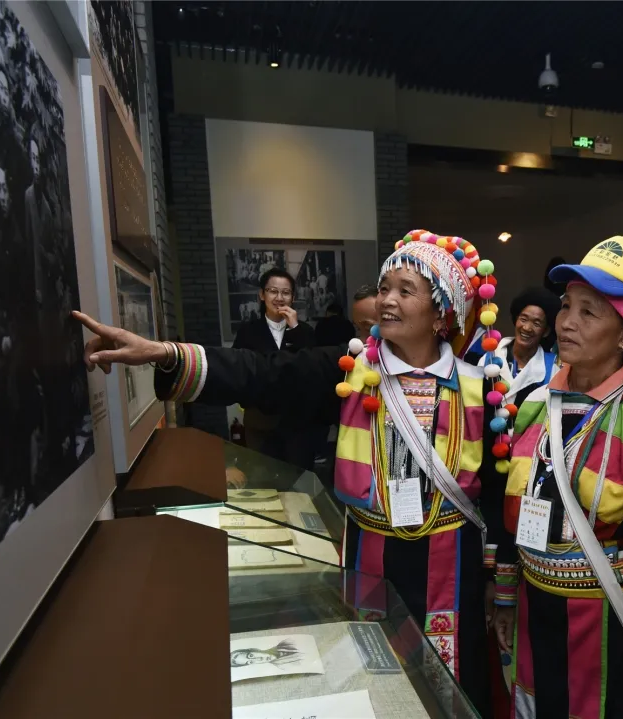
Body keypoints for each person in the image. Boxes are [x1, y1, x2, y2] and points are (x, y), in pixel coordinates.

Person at [74, 230, 506, 716]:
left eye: (405, 291)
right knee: (380, 672)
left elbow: (494, 493)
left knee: (452, 683)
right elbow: (262, 375)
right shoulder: (347, 372)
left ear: (442, 311)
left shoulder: (480, 390)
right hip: (371, 553)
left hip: (452, 563)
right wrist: (167, 354)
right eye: (384, 287)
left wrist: (497, 578)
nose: (386, 300)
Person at [491, 237, 623, 719]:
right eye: (566, 307)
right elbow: (512, 504)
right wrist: (506, 594)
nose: (566, 322)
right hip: (536, 609)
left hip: (611, 619)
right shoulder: (534, 400)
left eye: (589, 312)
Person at [231, 268, 317, 471]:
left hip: (297, 422)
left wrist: (294, 328)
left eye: (285, 293)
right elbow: (238, 370)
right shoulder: (248, 331)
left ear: (293, 297)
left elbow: (312, 368)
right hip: (260, 419)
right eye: (273, 291)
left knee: (298, 478)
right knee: (263, 476)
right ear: (262, 295)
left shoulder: (304, 331)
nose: (279, 298)